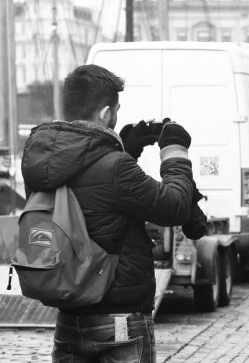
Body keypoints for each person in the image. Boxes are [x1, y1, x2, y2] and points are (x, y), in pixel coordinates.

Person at [21, 65, 204, 362]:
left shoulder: (39, 162)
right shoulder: (115, 167)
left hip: (69, 321)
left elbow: (94, 198)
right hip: (119, 321)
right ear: (106, 113)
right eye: (116, 110)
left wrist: (125, 150)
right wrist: (175, 152)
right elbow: (176, 206)